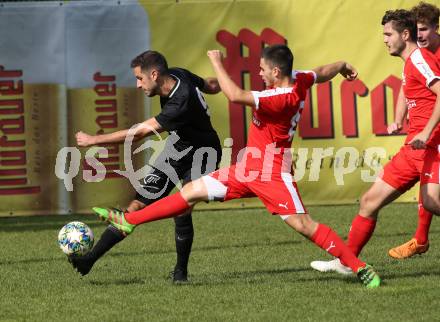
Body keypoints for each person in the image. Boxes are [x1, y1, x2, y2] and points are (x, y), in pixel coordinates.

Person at [92, 44, 381, 288]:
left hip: (271, 172)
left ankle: (359, 267)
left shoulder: (279, 97)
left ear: (276, 73)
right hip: (247, 169)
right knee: (190, 191)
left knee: (304, 225)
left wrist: (217, 62)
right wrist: (342, 64)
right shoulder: (299, 79)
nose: (259, 73)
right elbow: (320, 73)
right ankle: (127, 222)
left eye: (262, 70)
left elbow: (235, 96)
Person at [69, 50, 222, 283]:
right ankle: (89, 260)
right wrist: (225, 85)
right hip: (177, 148)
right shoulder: (179, 74)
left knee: (182, 207)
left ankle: (180, 273)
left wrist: (93, 140)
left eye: (140, 78)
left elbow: (139, 133)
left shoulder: (181, 100)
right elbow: (209, 85)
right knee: (136, 206)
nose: (138, 85)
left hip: (204, 153)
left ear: (154, 74)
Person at [311, 9, 440, 275]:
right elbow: (412, 94)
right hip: (413, 149)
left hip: (432, 147)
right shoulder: (410, 61)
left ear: (405, 35)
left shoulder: (419, 59)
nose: (384, 39)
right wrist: (402, 119)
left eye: (388, 34)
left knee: (431, 203)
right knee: (369, 201)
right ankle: (347, 262)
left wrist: (426, 132)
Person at [387, 1, 440, 259]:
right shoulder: (417, 57)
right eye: (416, 30)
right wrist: (398, 118)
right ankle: (420, 239)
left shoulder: (431, 55)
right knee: (430, 193)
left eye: (424, 29)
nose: (420, 36)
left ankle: (420, 239)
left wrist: (428, 129)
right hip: (431, 133)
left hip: (434, 132)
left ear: (435, 28)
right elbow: (405, 87)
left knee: (432, 195)